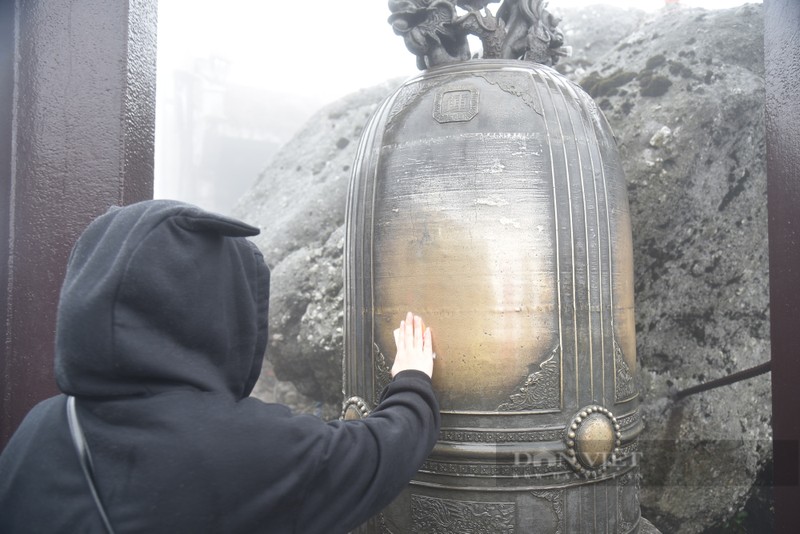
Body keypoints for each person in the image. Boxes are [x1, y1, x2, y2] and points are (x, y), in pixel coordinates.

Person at [0, 200, 439, 533]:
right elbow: (376, 453)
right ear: (212, 311)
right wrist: (413, 378)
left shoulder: (41, 426)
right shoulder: (234, 448)